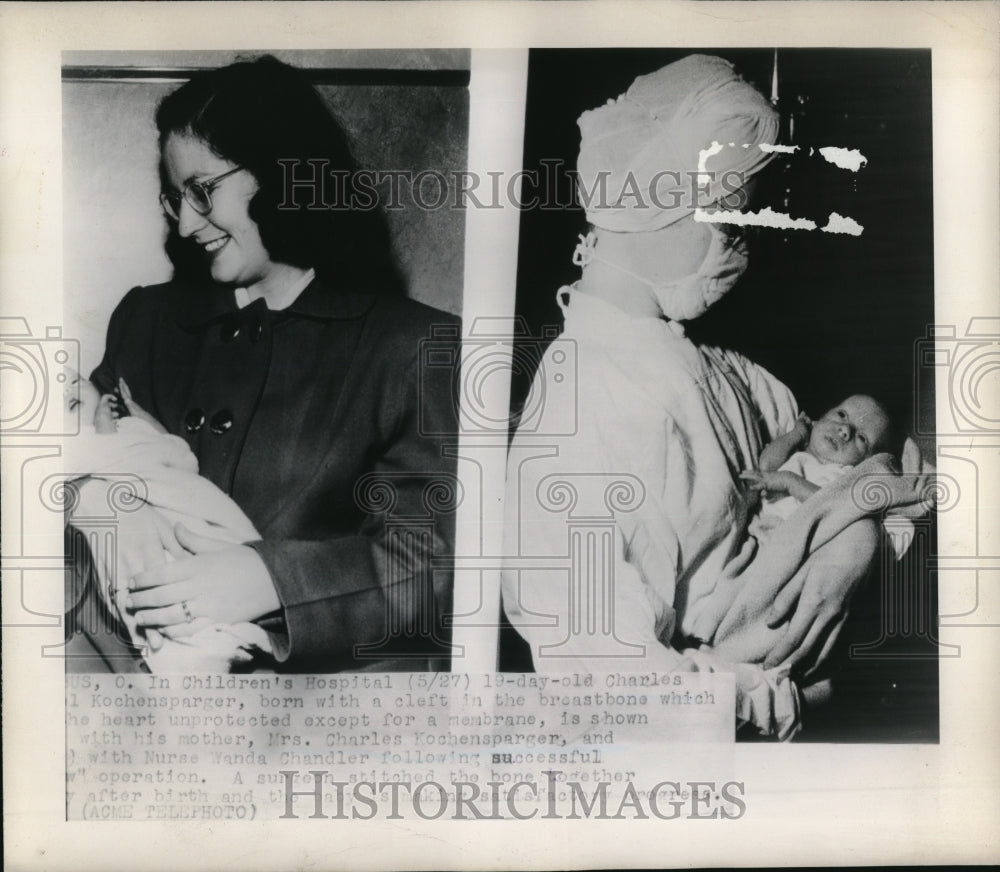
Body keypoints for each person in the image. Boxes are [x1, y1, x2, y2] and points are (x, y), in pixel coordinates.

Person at [501, 55, 908, 739]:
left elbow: (863, 462)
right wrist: (795, 701)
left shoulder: (720, 369)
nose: (742, 246)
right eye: (729, 218)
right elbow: (608, 676)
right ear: (647, 200)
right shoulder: (582, 402)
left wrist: (860, 538)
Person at [65, 56, 460, 673]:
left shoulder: (416, 345)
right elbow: (67, 469)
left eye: (203, 190)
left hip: (321, 725)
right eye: (175, 197)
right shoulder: (145, 322)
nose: (187, 223)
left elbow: (436, 562)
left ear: (283, 173)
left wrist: (273, 582)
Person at [64, 372, 272, 672]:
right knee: (161, 588)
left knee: (212, 553)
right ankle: (204, 650)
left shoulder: (127, 425)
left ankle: (234, 629)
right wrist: (103, 432)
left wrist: (142, 419)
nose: (67, 389)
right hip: (144, 536)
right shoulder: (74, 450)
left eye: (72, 379)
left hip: (183, 505)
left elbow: (177, 454)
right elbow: (108, 459)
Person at [741, 395, 893, 538]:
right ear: (820, 417)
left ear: (866, 462)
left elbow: (829, 506)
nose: (845, 430)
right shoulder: (794, 449)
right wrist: (797, 434)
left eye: (862, 438)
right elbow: (766, 466)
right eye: (841, 415)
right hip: (759, 530)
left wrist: (789, 482)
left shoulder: (843, 476)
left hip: (797, 542)